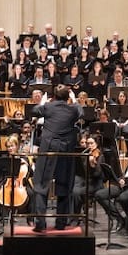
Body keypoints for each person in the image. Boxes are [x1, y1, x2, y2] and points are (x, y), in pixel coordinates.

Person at [30, 84, 82, 232]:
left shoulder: (48, 106)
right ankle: (61, 223)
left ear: (54, 96)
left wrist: (43, 101)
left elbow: (34, 111)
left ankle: (40, 223)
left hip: (49, 149)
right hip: (65, 151)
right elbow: (81, 112)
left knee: (40, 184)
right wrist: (74, 99)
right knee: (65, 185)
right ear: (67, 97)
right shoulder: (73, 109)